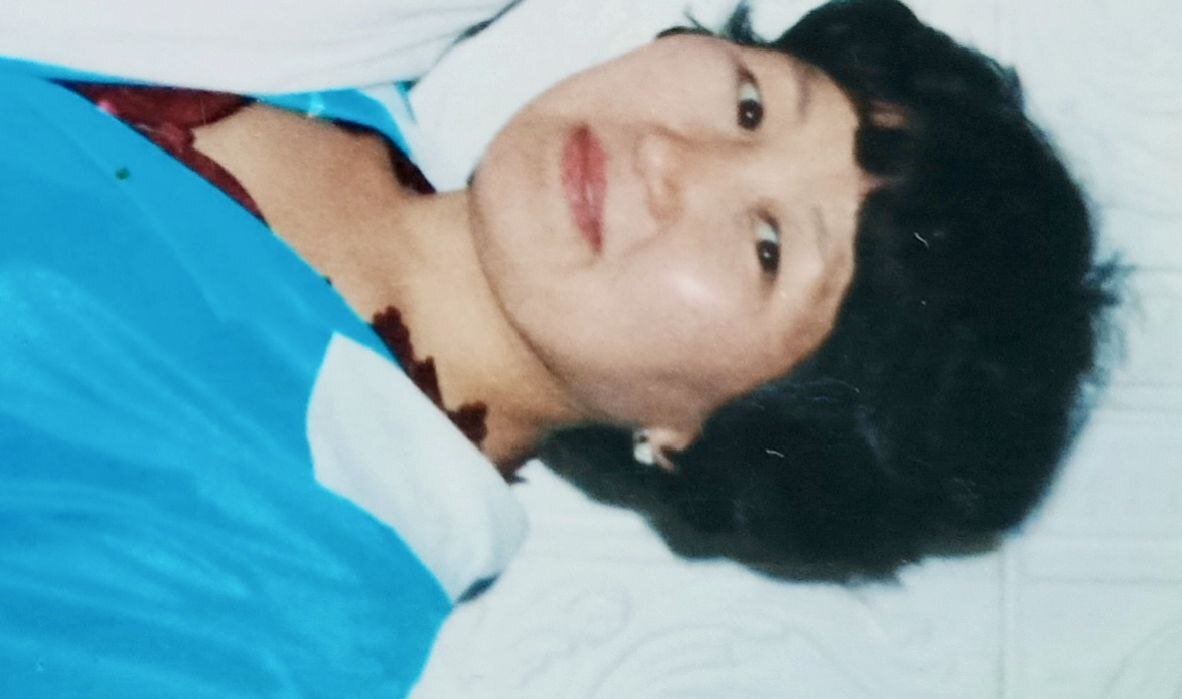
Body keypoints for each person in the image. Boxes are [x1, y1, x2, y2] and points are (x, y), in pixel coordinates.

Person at [0, 0, 1114, 694]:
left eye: (769, 246)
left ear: (706, 435)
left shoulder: (292, 602)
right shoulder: (339, 35)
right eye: (750, 106)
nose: (673, 161)